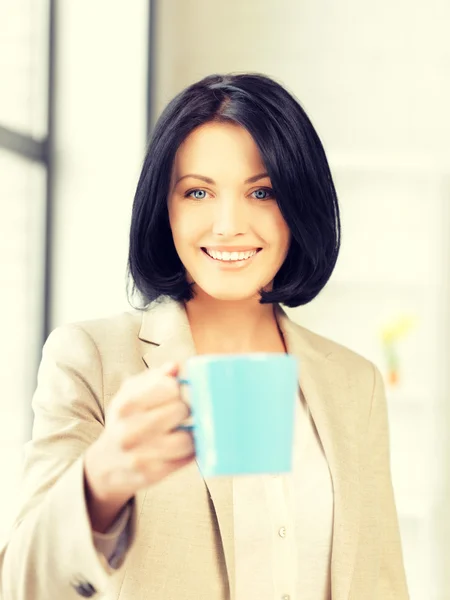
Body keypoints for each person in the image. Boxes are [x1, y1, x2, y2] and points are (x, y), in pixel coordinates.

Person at [0, 73, 409, 600]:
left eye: (261, 192)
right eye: (198, 191)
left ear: (298, 204)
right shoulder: (92, 360)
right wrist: (100, 478)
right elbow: (21, 583)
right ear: (164, 208)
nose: (227, 225)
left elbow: (381, 580)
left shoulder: (357, 384)